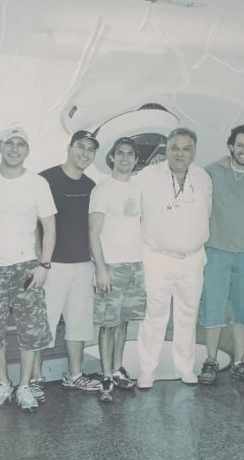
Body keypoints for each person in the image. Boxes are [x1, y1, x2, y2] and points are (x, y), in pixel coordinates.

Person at [0, 126, 56, 413]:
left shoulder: (37, 183)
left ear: (27, 150)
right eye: (9, 143)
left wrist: (44, 265)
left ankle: (24, 386)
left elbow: (49, 227)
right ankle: (3, 383)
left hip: (26, 268)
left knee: (30, 330)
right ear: (0, 146)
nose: (14, 149)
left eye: (21, 144)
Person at [134, 127, 212, 389]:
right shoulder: (147, 176)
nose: (180, 154)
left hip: (192, 260)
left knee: (188, 316)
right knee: (154, 317)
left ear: (194, 151)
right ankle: (147, 371)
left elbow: (206, 214)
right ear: (165, 150)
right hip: (157, 259)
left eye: (186, 149)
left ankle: (185, 368)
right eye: (174, 148)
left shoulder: (203, 178)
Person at [198, 125, 244, 384]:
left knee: (243, 310)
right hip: (217, 252)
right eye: (239, 145)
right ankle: (210, 360)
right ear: (231, 146)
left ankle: (240, 362)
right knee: (213, 308)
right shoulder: (212, 171)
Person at [40, 131, 101, 391]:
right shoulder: (46, 180)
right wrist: (40, 263)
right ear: (69, 147)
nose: (85, 153)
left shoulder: (91, 186)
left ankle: (75, 375)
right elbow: (35, 226)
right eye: (80, 146)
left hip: (83, 266)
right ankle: (34, 379)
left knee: (79, 324)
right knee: (44, 325)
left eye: (90, 149)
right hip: (52, 267)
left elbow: (93, 230)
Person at [89, 137, 145, 402]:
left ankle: (117, 369)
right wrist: (101, 269)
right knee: (108, 324)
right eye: (120, 153)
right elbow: (93, 232)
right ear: (112, 157)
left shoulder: (139, 189)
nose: (125, 158)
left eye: (130, 154)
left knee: (123, 322)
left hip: (135, 266)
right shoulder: (102, 190)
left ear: (136, 159)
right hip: (111, 267)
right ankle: (105, 377)